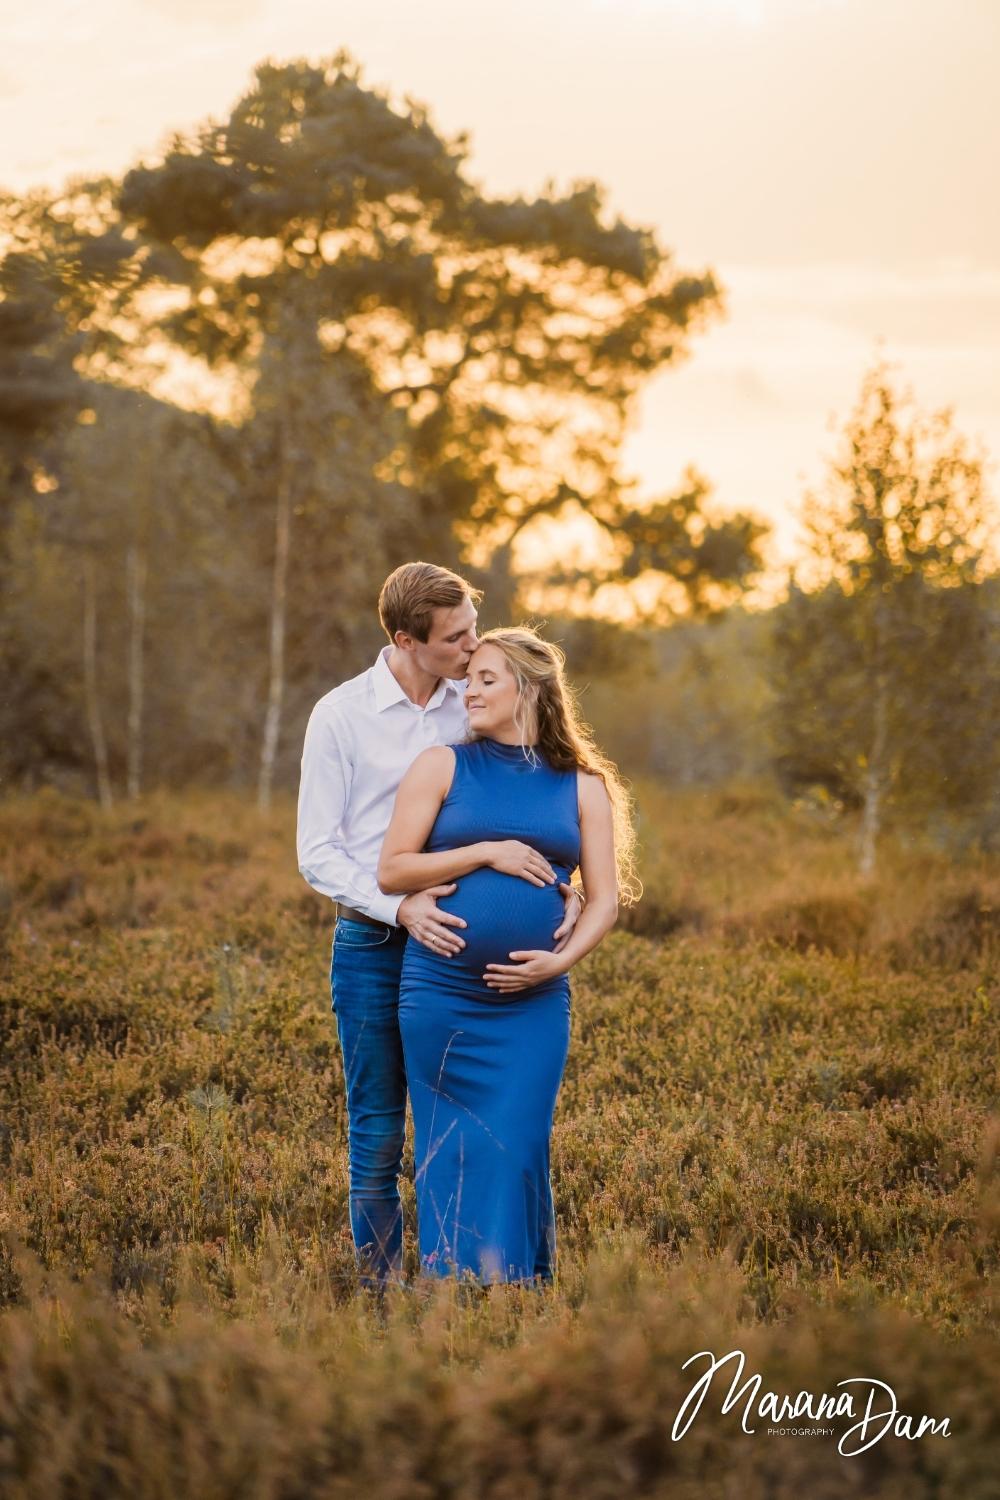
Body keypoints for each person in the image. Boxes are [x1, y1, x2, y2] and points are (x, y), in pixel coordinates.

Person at [297, 563, 582, 1286]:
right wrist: (400, 907)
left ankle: (476, 1276)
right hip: (374, 941)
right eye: (456, 638)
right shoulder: (341, 715)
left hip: (460, 962)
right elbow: (317, 852)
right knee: (379, 1128)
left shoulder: (476, 698)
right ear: (405, 639)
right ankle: (383, 1290)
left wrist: (564, 887)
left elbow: (533, 792)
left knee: (477, 1128)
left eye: (473, 631)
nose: (471, 648)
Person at [377, 626, 639, 1284]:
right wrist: (486, 852)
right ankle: (449, 1286)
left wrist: (560, 962)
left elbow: (605, 899)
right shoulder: (441, 765)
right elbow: (392, 870)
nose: (470, 690)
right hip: (439, 992)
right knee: (449, 1146)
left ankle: (516, 1286)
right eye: (470, 678)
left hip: (532, 1005)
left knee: (518, 1144)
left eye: (487, 679)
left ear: (528, 690)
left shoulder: (582, 786)